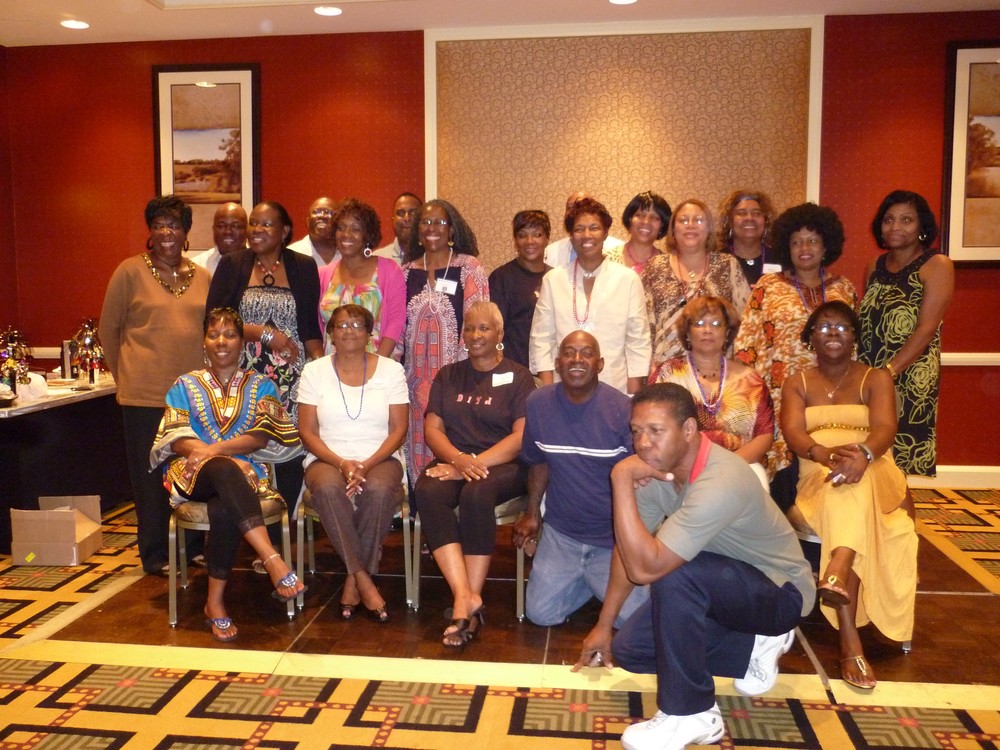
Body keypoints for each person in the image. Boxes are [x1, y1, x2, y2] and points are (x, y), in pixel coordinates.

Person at [586, 383, 814, 750]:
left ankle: (692, 713)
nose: (642, 443)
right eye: (636, 431)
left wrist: (620, 479)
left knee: (673, 574)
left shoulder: (721, 480)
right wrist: (603, 625)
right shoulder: (661, 473)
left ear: (689, 429)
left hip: (780, 593)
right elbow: (627, 553)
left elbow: (646, 569)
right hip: (722, 588)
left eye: (655, 430)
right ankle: (752, 644)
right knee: (632, 650)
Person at [781, 302, 916, 690]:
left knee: (855, 480)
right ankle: (840, 583)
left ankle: (843, 607)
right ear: (811, 337)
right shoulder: (797, 382)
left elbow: (885, 428)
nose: (833, 333)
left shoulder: (876, 378)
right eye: (824, 327)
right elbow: (794, 433)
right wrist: (825, 455)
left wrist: (863, 455)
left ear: (854, 336)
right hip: (818, 471)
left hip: (876, 467)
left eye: (842, 327)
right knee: (845, 486)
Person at [149, 307, 305, 642]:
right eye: (214, 334)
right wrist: (222, 457)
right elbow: (176, 439)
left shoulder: (262, 385)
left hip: (244, 478)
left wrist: (215, 450)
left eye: (230, 334)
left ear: (242, 342)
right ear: (204, 342)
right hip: (192, 474)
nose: (222, 341)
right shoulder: (184, 385)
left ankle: (214, 603)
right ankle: (272, 559)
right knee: (223, 467)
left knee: (223, 508)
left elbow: (261, 436)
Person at [99, 195, 211, 576]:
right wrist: (127, 377)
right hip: (143, 396)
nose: (167, 232)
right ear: (150, 230)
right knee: (150, 480)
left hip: (191, 397)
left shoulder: (202, 277)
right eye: (159, 225)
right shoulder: (129, 272)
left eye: (174, 225)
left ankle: (192, 547)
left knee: (191, 471)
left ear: (186, 231)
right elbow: (109, 330)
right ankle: (155, 554)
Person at [415, 301, 535, 646]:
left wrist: (472, 464)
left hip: (503, 465)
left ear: (499, 333)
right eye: (469, 328)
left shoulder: (519, 376)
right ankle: (464, 596)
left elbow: (520, 437)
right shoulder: (449, 375)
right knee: (428, 490)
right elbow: (432, 429)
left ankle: (470, 597)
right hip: (456, 460)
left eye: (484, 328)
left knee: (476, 492)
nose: (475, 334)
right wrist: (457, 461)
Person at [513, 331, 648, 627]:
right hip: (562, 534)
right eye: (569, 352)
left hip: (611, 539)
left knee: (634, 620)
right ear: (557, 363)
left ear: (600, 364)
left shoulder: (622, 410)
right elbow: (538, 461)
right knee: (540, 614)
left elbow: (641, 476)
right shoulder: (538, 404)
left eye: (586, 353)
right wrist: (533, 512)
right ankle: (593, 582)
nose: (577, 359)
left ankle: (592, 579)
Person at [733, 202, 858, 508]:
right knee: (785, 478)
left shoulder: (844, 289)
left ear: (826, 245)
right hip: (779, 395)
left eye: (812, 240)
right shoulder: (768, 286)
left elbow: (857, 344)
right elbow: (747, 344)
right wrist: (750, 398)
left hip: (832, 395)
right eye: (796, 242)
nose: (804, 248)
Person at [298, 304, 408, 623]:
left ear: (370, 334)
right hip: (326, 458)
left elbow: (399, 429)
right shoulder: (314, 371)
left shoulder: (391, 370)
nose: (349, 331)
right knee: (328, 489)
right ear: (330, 334)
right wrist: (342, 463)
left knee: (379, 490)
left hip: (382, 457)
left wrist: (367, 463)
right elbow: (307, 431)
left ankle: (352, 577)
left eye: (357, 325)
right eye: (342, 325)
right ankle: (363, 578)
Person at [207, 200, 323, 499]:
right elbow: (213, 321)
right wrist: (264, 333)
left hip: (291, 378)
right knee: (245, 444)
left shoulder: (303, 266)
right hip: (243, 376)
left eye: (266, 224)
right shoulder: (232, 264)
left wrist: (321, 368)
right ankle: (250, 513)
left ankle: (286, 517)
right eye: (254, 223)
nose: (256, 229)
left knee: (291, 448)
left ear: (284, 231)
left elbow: (309, 326)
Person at [859, 190, 954, 477]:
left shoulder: (937, 265)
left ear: (922, 226)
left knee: (899, 458)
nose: (895, 227)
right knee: (868, 451)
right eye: (889, 219)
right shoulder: (874, 266)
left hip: (910, 373)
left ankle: (900, 507)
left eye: (906, 220)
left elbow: (927, 328)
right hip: (870, 371)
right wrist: (868, 375)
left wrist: (889, 372)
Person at [401, 198, 489, 481]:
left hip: (457, 384)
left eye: (440, 222)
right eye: (425, 222)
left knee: (453, 455)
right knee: (416, 454)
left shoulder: (469, 268)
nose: (432, 228)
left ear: (451, 229)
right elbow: (398, 331)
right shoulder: (406, 273)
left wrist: (461, 378)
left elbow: (478, 325)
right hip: (413, 386)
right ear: (417, 230)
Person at [529, 196, 650, 394]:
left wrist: (632, 395)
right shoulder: (553, 280)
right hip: (563, 389)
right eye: (579, 229)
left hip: (614, 387)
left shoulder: (627, 280)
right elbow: (541, 340)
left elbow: (638, 341)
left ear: (605, 233)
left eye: (594, 228)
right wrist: (548, 392)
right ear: (571, 236)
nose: (587, 235)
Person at [651, 296, 773, 479]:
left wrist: (725, 467)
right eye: (699, 323)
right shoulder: (667, 374)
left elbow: (765, 435)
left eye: (716, 324)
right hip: (678, 470)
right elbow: (652, 427)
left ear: (727, 333)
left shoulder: (751, 380)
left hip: (737, 469)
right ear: (687, 332)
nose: (707, 330)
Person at [641, 199, 750, 371]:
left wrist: (740, 367)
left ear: (709, 229)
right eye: (683, 220)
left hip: (718, 368)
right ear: (673, 229)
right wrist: (647, 367)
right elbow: (644, 323)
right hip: (666, 368)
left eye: (698, 220)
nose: (690, 225)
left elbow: (745, 320)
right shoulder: (655, 266)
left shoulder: (727, 265)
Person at [317, 198, 405, 357]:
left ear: (367, 235)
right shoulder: (322, 274)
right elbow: (318, 327)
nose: (346, 234)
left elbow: (395, 322)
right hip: (332, 365)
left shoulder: (389, 270)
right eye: (341, 228)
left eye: (355, 229)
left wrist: (377, 364)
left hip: (378, 363)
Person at [488, 210, 552, 369]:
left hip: (550, 368)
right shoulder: (502, 278)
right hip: (514, 369)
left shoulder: (555, 278)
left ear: (547, 239)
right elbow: (494, 330)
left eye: (537, 234)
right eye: (522, 235)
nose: (530, 241)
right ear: (516, 240)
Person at [544, 191, 624, 267]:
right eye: (570, 207)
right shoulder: (550, 252)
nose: (586, 235)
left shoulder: (619, 250)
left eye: (584, 205)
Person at [716, 189, 780, 285]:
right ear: (730, 221)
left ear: (765, 221)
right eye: (742, 213)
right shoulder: (718, 262)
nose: (749, 218)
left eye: (756, 213)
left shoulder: (780, 259)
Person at [607, 191, 671, 275]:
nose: (646, 222)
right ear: (630, 219)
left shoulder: (669, 267)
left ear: (662, 225)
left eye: (654, 217)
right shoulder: (607, 260)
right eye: (640, 215)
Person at [190, 202, 247, 276]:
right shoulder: (197, 267)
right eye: (221, 226)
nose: (228, 232)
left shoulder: (258, 264)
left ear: (246, 230)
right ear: (213, 229)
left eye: (235, 226)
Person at [289, 196, 339, 268]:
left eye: (328, 212)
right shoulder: (292, 254)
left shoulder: (348, 254)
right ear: (308, 222)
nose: (322, 216)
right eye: (316, 212)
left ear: (338, 222)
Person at [374, 192, 422, 265]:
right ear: (393, 220)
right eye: (401, 213)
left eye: (413, 213)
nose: (407, 218)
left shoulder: (431, 258)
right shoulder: (377, 259)